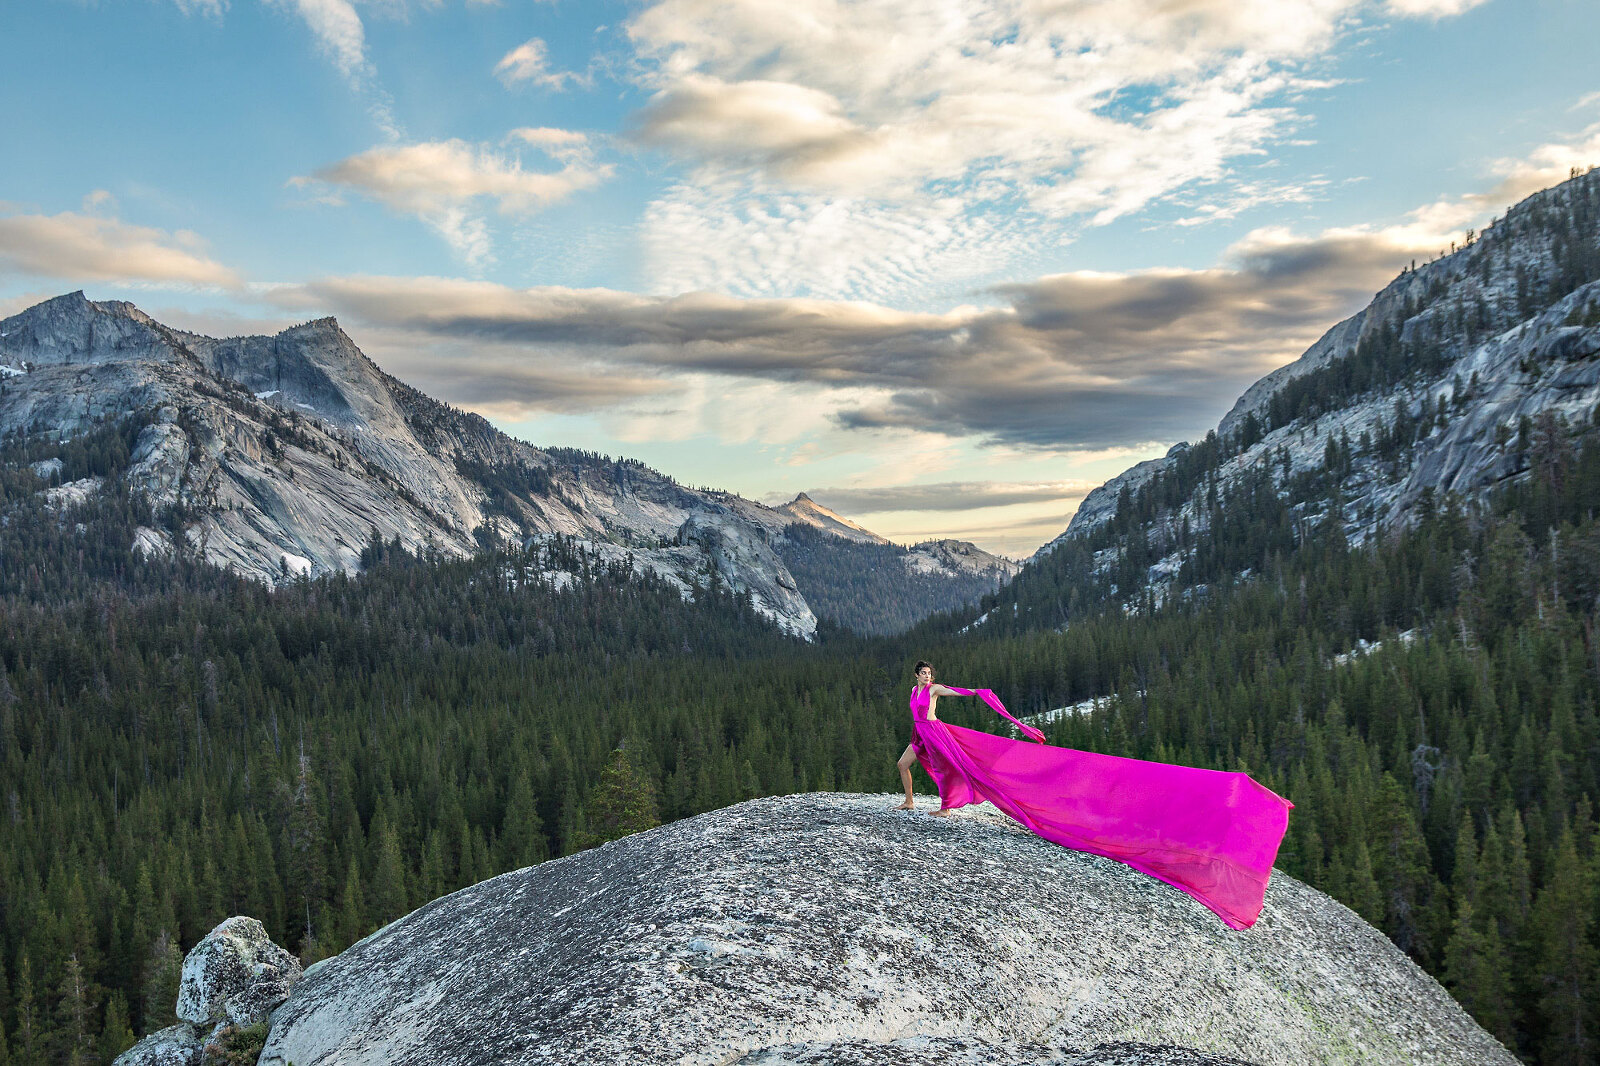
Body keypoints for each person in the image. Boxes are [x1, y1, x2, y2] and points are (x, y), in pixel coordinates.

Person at [894, 659, 1292, 930]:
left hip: (939, 734)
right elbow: (917, 714)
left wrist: (991, 700)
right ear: (916, 676)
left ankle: (948, 802)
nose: (928, 678)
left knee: (968, 770)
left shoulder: (937, 690)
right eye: (923, 674)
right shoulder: (913, 694)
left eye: (931, 674)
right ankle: (913, 799)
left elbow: (967, 693)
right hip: (920, 735)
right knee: (905, 766)